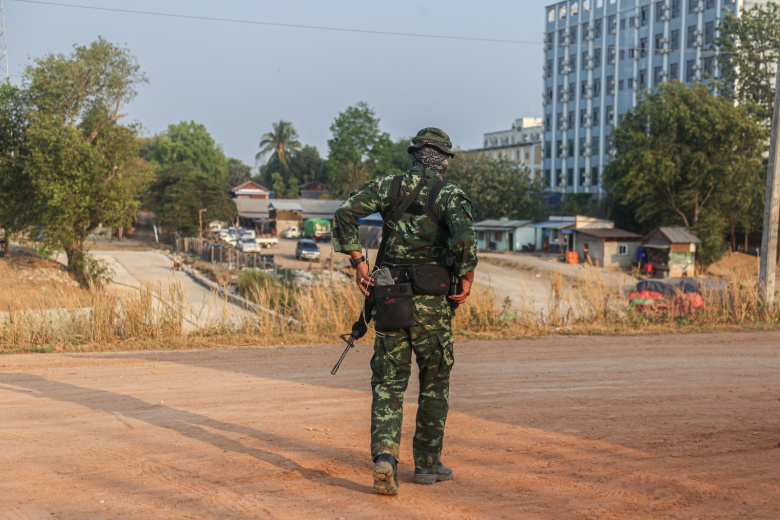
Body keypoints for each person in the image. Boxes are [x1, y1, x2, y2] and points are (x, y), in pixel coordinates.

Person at [332, 128, 478, 495]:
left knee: (388, 383)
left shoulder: (387, 187)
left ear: (414, 156)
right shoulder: (449, 195)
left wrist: (359, 263)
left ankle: (385, 459)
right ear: (443, 160)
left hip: (389, 298)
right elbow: (464, 240)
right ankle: (427, 465)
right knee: (434, 383)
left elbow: (345, 212)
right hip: (433, 304)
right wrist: (467, 279)